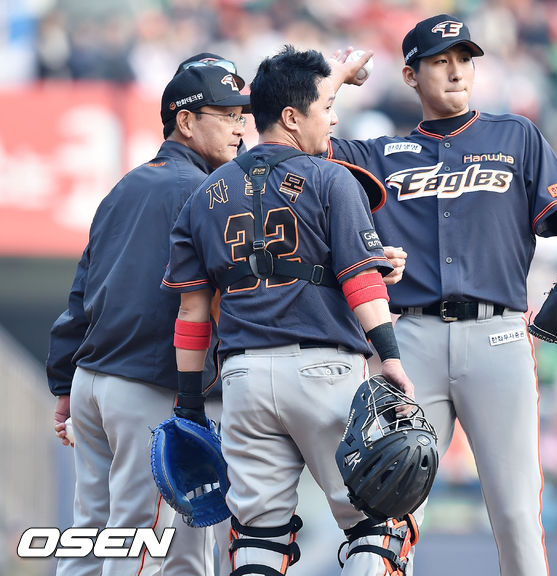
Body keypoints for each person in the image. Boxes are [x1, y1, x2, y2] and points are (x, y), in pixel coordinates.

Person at [325, 14, 557, 576]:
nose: (456, 71)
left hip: (498, 337)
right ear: (411, 75)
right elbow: (299, 139)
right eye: (440, 61)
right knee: (391, 510)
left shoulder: (516, 136)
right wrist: (335, 79)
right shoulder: (379, 154)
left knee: (516, 513)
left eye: (464, 59)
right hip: (410, 342)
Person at [161, 45, 418, 576]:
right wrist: (390, 358)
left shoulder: (205, 193)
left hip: (244, 380)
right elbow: (361, 281)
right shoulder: (332, 178)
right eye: (327, 106)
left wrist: (188, 404)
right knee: (378, 524)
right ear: (292, 117)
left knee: (259, 535)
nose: (334, 118)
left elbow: (191, 313)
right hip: (325, 371)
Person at [46, 61, 250, 576]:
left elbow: (81, 290)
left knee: (91, 538)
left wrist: (65, 383)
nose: (239, 127)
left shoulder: (126, 185)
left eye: (241, 115)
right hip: (151, 388)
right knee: (145, 545)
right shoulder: (208, 191)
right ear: (186, 121)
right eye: (225, 115)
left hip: (93, 385)